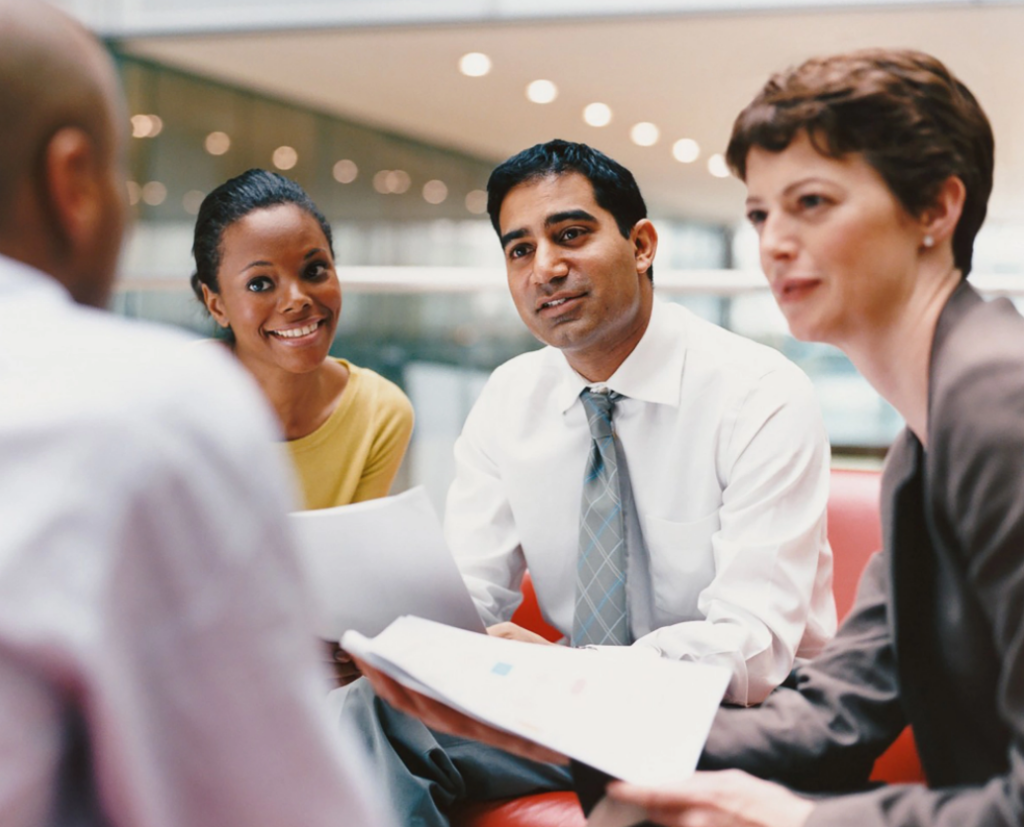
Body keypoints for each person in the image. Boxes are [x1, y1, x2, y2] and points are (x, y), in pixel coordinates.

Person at [361, 48, 1021, 827]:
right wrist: (561, 710)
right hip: (701, 718)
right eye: (760, 214)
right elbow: (848, 702)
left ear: (937, 210)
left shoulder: (994, 406)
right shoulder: (931, 426)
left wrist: (799, 820)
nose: (773, 242)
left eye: (811, 202)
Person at [341, 139, 836, 826]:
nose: (545, 267)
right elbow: (465, 595)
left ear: (640, 245)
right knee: (367, 711)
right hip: (575, 713)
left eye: (570, 235)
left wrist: (570, 674)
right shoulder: (509, 397)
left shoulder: (760, 394)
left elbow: (752, 647)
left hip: (737, 721)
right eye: (519, 250)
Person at [0, 3, 390, 825]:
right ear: (73, 181)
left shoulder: (368, 407)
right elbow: (276, 799)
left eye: (315, 267)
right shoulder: (154, 405)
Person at [190, 169, 414, 511]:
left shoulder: (380, 414)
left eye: (313, 271)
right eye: (260, 284)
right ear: (216, 303)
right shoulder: (173, 398)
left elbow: (352, 555)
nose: (297, 300)